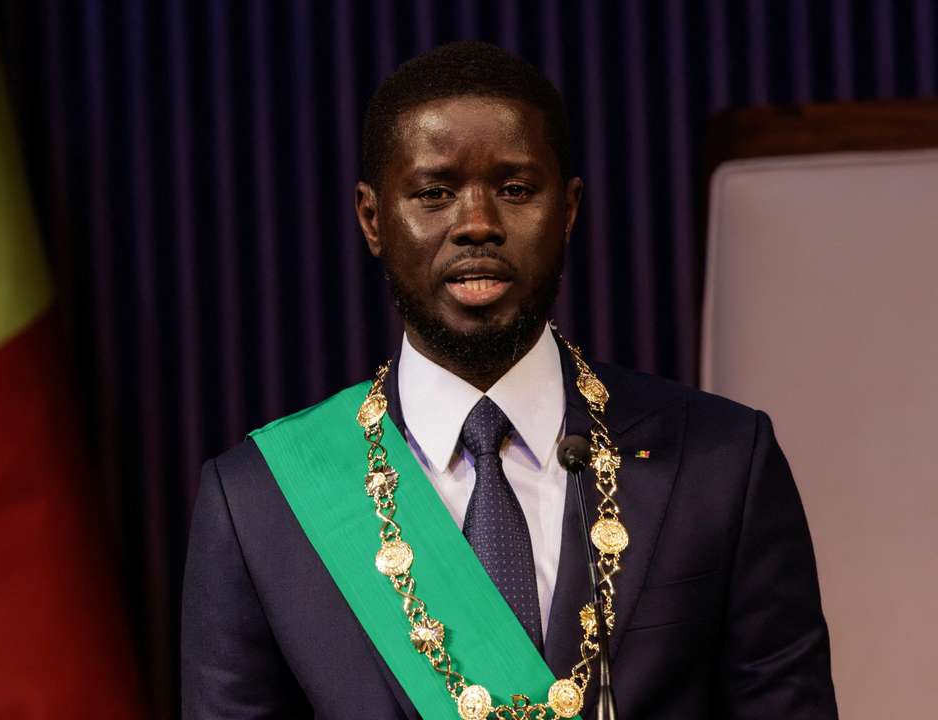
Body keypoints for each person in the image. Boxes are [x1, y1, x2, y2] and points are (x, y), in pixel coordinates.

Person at [181, 41, 836, 719]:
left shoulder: (723, 460)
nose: (477, 225)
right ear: (373, 218)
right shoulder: (259, 502)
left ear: (569, 209)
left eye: (516, 190)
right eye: (434, 194)